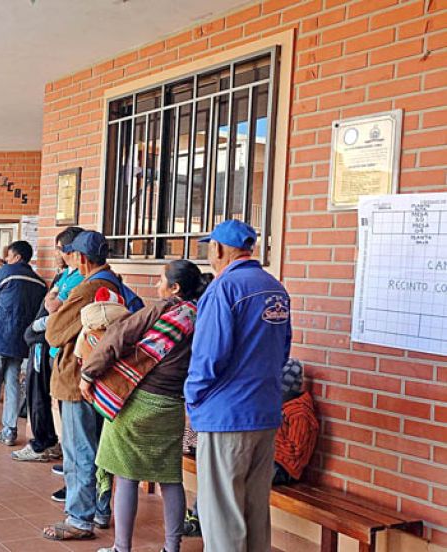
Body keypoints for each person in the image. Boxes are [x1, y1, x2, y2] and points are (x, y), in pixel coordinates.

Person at [80, 260, 208, 552]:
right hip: (172, 405)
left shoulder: (162, 309)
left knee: (126, 475)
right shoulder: (203, 317)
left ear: (175, 288)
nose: (157, 285)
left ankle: (121, 548)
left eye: (161, 280)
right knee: (170, 477)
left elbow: (118, 335)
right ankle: (172, 548)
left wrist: (88, 374)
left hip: (137, 402)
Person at [186, 219, 292, 552]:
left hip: (226, 416)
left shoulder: (223, 288)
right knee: (255, 512)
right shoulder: (275, 288)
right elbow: (283, 351)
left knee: (222, 518)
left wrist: (192, 399)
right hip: (264, 412)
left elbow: (208, 357)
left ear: (218, 249)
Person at [42, 231, 143, 541]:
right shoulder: (115, 284)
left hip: (78, 379)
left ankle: (79, 518)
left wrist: (53, 312)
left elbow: (54, 332)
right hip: (104, 380)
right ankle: (99, 510)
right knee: (99, 451)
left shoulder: (88, 289)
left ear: (81, 258)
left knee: (79, 451)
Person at [183, 358, 319, 538]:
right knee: (218, 469)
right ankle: (200, 518)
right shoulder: (278, 406)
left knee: (229, 475)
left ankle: (211, 522)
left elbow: (295, 454)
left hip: (284, 468)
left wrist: (266, 439)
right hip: (268, 457)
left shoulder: (300, 413)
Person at [12, 226, 84, 463]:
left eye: (59, 249)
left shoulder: (80, 278)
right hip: (45, 344)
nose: (56, 253)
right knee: (40, 392)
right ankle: (49, 441)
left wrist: (36, 326)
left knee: (44, 397)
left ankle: (44, 444)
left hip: (52, 344)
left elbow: (54, 308)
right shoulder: (65, 275)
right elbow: (50, 300)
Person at [0, 240, 46, 446]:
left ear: (17, 257)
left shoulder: (7, 272)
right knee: (12, 384)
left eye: (10, 255)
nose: (7, 259)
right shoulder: (40, 282)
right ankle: (9, 431)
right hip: (20, 341)